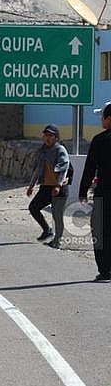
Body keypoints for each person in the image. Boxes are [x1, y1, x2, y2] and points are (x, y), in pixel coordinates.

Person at [80, 103, 111, 282]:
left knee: (100, 231)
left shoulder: (100, 140)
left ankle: (105, 270)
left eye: (103, 117)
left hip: (104, 193)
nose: (101, 120)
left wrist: (83, 191)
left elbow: (90, 168)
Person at [26, 124, 70, 248]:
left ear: (56, 137)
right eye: (45, 135)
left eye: (50, 135)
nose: (47, 138)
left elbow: (64, 168)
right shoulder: (42, 150)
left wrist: (58, 185)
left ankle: (57, 241)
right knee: (33, 207)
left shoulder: (60, 149)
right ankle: (47, 230)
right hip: (45, 187)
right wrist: (31, 185)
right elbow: (38, 169)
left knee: (57, 215)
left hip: (59, 189)